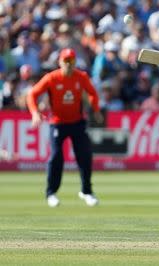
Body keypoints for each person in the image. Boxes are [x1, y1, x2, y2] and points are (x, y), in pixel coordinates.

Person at [26, 48, 103, 208]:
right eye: (66, 61)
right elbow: (32, 94)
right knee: (56, 157)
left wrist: (95, 110)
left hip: (77, 122)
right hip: (57, 123)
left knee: (84, 156)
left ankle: (86, 192)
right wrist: (35, 113)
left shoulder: (81, 77)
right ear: (60, 62)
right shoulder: (51, 78)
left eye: (71, 61)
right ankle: (51, 193)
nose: (69, 64)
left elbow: (93, 94)